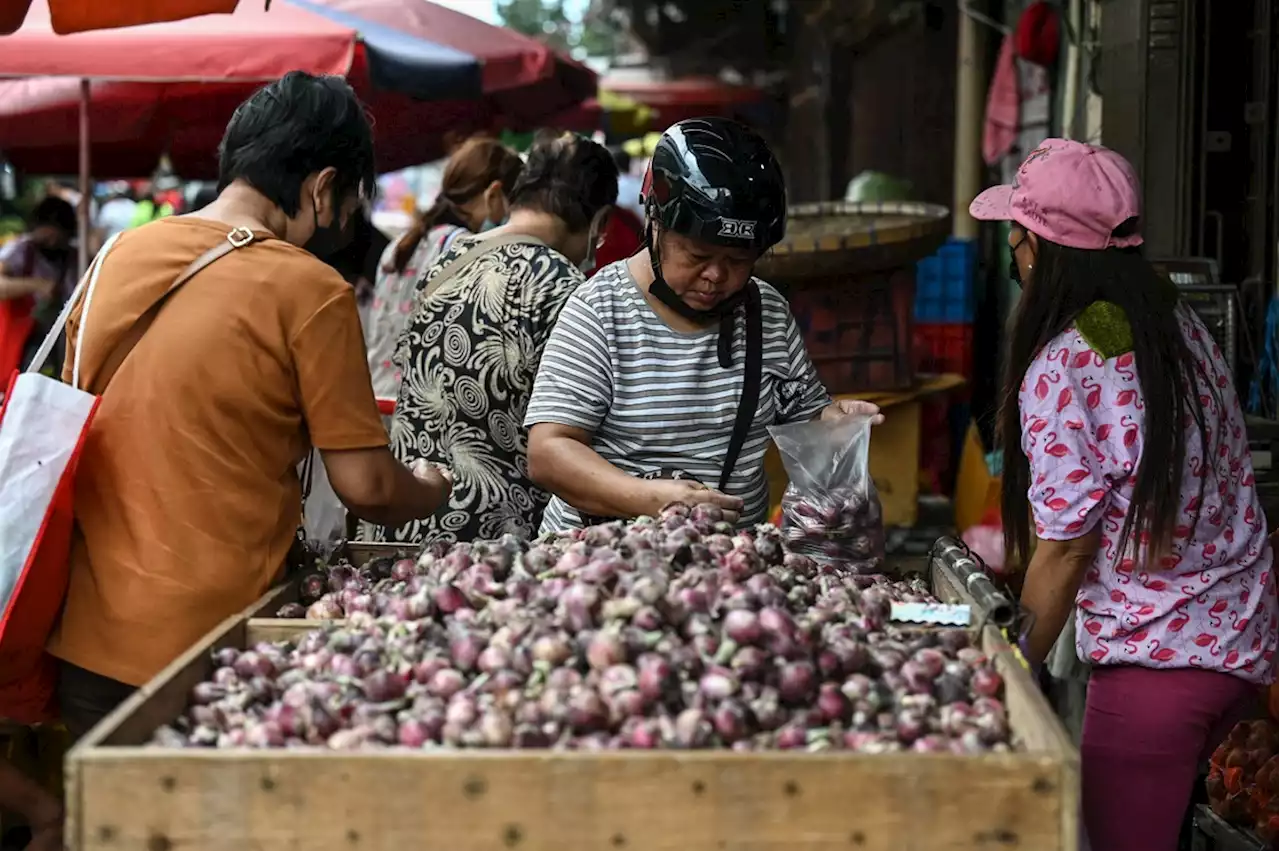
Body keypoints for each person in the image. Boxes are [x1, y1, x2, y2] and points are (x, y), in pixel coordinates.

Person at [48, 71, 452, 738]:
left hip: (87, 642)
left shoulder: (115, 256)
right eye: (349, 206)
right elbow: (369, 488)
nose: (346, 224)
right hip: (215, 651)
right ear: (323, 187)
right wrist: (432, 489)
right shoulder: (310, 290)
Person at [970, 138, 1278, 851]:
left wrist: (1008, 669)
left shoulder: (1061, 366)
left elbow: (1069, 545)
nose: (1015, 255)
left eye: (1018, 237)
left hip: (1159, 670)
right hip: (1242, 639)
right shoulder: (1169, 325)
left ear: (1041, 253)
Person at [524, 118, 880, 532]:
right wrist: (652, 499)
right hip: (603, 561)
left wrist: (837, 423)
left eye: (738, 260)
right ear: (654, 224)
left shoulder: (766, 311)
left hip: (730, 565)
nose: (716, 275)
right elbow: (548, 452)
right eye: (697, 255)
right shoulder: (599, 310)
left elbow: (804, 415)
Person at [373, 130, 617, 545]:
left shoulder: (444, 262)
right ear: (599, 221)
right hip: (495, 542)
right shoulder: (565, 287)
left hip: (404, 519)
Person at [365, 137, 523, 399]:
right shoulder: (463, 249)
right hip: (420, 413)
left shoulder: (399, 246)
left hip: (379, 402)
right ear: (494, 194)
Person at [0, 196, 77, 381]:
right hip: (23, 337)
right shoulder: (21, 250)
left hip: (64, 339)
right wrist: (36, 284)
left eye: (56, 234)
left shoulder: (75, 258)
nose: (51, 240)